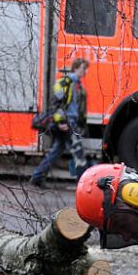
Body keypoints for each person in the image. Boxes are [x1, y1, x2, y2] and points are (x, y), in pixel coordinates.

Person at [30, 58, 90, 188]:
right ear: (75, 68)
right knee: (78, 153)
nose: (85, 71)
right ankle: (83, 185)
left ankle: (37, 177)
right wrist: (61, 122)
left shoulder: (80, 88)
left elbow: (80, 110)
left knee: (56, 151)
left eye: (86, 69)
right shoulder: (64, 83)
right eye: (83, 68)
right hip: (66, 123)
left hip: (72, 123)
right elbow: (56, 104)